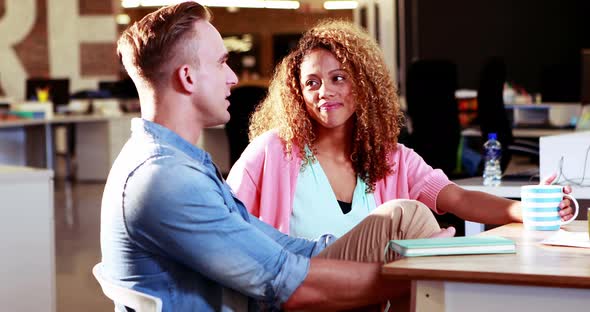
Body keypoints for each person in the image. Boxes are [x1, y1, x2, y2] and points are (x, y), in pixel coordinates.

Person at [101, 2, 454, 312]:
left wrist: (390, 257)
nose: (233, 78)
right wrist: (411, 275)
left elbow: (279, 245)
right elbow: (288, 287)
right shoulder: (164, 179)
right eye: (223, 63)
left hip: (269, 291)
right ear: (188, 77)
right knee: (422, 264)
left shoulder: (181, 163)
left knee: (403, 217)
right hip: (266, 302)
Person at [226, 20, 575, 239]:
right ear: (298, 94)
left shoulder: (390, 158)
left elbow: (458, 198)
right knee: (408, 218)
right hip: (302, 294)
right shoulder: (272, 151)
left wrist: (523, 209)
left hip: (378, 298)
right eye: (311, 83)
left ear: (362, 86)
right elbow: (224, 221)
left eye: (338, 78)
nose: (324, 92)